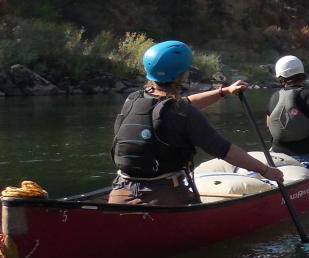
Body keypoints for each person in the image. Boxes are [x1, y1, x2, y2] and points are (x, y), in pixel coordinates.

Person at [110, 40, 284, 207]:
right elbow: (225, 150)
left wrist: (224, 91)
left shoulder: (133, 99)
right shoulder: (183, 112)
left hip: (120, 193)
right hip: (164, 196)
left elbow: (184, 103)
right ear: (181, 75)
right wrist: (265, 170)